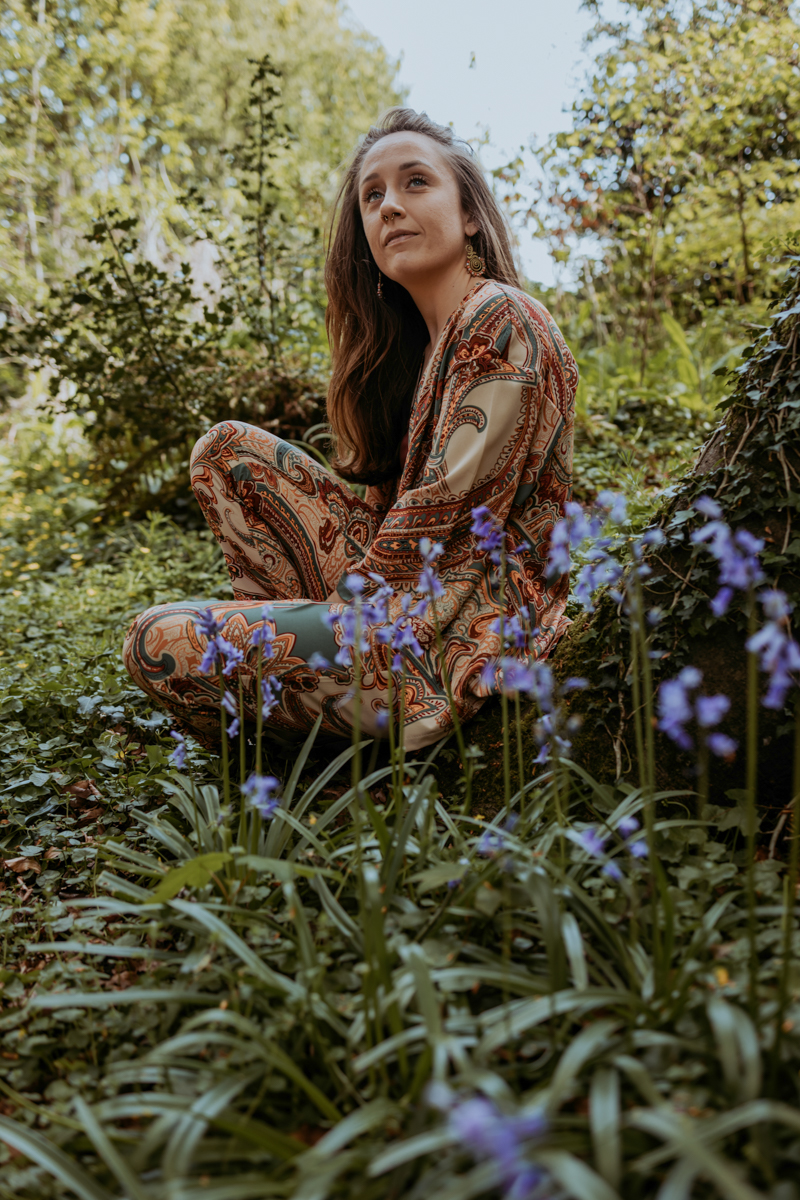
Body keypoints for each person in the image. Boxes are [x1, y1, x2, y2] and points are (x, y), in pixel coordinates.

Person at [123, 107, 578, 751]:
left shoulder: (500, 319)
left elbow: (446, 529)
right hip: (389, 614)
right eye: (373, 195)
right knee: (226, 453)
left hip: (451, 640)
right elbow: (386, 523)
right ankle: (312, 706)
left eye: (416, 182)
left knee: (156, 639)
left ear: (470, 214)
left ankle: (356, 716)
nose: (389, 205)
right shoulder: (418, 355)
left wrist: (311, 624)